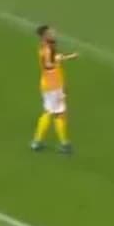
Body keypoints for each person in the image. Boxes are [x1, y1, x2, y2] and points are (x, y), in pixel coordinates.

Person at [31, 25, 77, 154]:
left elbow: (51, 61)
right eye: (50, 32)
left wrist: (61, 58)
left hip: (49, 85)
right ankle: (62, 144)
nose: (53, 33)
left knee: (52, 112)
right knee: (56, 113)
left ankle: (39, 142)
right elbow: (49, 65)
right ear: (44, 36)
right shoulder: (47, 49)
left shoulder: (45, 47)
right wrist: (66, 58)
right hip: (53, 86)